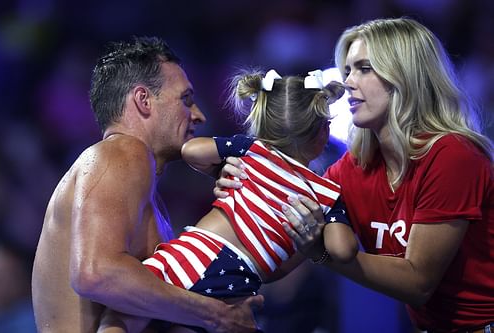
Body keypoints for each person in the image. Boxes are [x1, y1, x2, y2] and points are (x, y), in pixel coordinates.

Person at [215, 18, 494, 333]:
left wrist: (322, 253)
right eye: (347, 70)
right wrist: (246, 188)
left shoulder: (452, 156)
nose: (348, 82)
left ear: (404, 75)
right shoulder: (352, 168)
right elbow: (276, 259)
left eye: (364, 68)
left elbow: (418, 283)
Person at [31, 36, 264, 333]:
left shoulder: (142, 186)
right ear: (143, 100)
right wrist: (216, 314)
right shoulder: (123, 152)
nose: (199, 115)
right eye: (186, 99)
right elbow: (96, 273)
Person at [101, 69, 359, 333]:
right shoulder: (325, 193)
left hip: (194, 254)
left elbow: (191, 150)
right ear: (323, 132)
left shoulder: (253, 150)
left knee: (122, 317)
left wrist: (221, 167)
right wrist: (316, 247)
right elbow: (343, 249)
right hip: (237, 282)